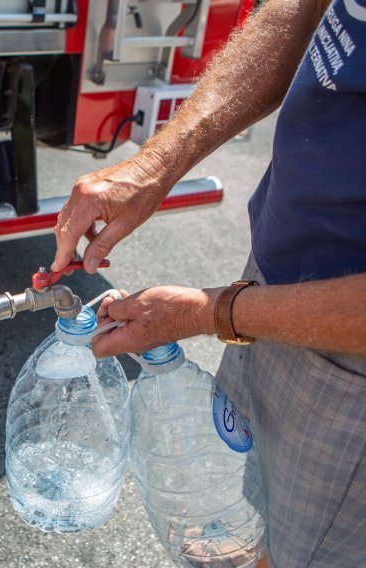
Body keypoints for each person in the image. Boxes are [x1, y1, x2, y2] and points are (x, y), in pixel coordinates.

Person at [52, 0, 365, 566]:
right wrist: (152, 169)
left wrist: (210, 312)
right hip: (274, 280)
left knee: (319, 548)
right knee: (253, 479)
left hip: (351, 349)